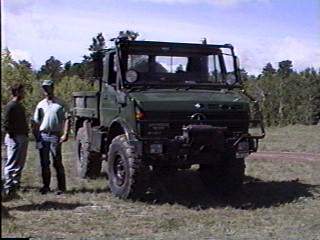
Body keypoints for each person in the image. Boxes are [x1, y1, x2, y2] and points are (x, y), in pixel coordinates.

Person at [32, 80, 71, 195]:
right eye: (44, 88)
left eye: (48, 88)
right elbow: (35, 121)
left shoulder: (60, 103)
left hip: (55, 135)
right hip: (43, 135)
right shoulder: (40, 104)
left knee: (57, 161)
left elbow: (68, 118)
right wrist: (37, 136)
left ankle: (61, 188)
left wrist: (65, 133)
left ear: (52, 88)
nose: (46, 90)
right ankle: (46, 186)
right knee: (44, 162)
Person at [2, 83, 29, 200]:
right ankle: (8, 188)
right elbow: (6, 123)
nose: (24, 94)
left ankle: (15, 187)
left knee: (19, 163)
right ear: (17, 92)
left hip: (22, 136)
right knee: (12, 163)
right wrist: (13, 137)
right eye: (22, 91)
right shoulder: (11, 106)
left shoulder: (19, 106)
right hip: (14, 138)